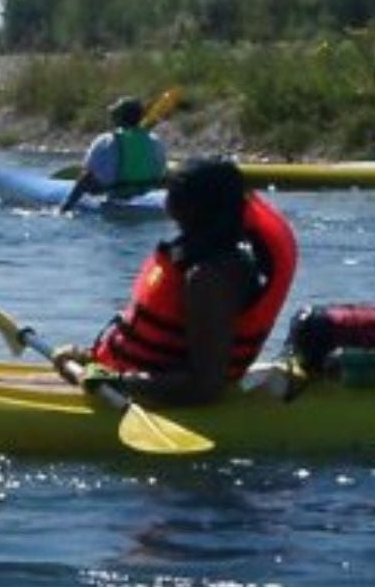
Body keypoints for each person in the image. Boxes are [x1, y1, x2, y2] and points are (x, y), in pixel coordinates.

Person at [57, 158, 298, 406]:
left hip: (151, 397)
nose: (165, 199)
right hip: (121, 385)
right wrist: (90, 359)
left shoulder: (211, 278)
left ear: (189, 207)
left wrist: (118, 381)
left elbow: (205, 386)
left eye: (170, 193)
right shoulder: (192, 258)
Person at [61, 96, 168, 212]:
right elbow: (160, 170)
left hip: (115, 191)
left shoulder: (106, 140)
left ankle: (65, 207)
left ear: (119, 117)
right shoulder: (154, 140)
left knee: (85, 178)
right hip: (146, 189)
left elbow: (87, 171)